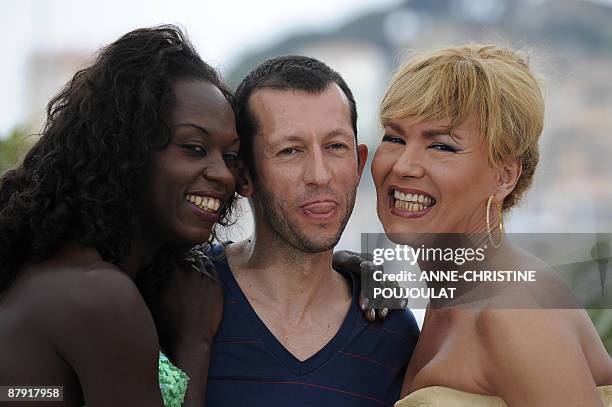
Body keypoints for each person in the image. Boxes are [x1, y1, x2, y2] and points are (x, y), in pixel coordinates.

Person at [347, 43, 612, 406]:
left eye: (440, 146)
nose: (404, 165)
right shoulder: (451, 298)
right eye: (394, 138)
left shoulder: (510, 311)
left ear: (504, 176)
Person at [0, 25, 240, 406]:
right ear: (127, 150)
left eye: (230, 156)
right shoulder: (99, 296)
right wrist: (195, 342)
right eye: (194, 147)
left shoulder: (73, 273)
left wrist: (366, 266)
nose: (223, 173)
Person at [204, 55, 420, 406]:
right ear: (244, 175)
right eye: (290, 151)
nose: (320, 175)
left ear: (359, 162)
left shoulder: (392, 332)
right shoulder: (187, 293)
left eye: (336, 147)